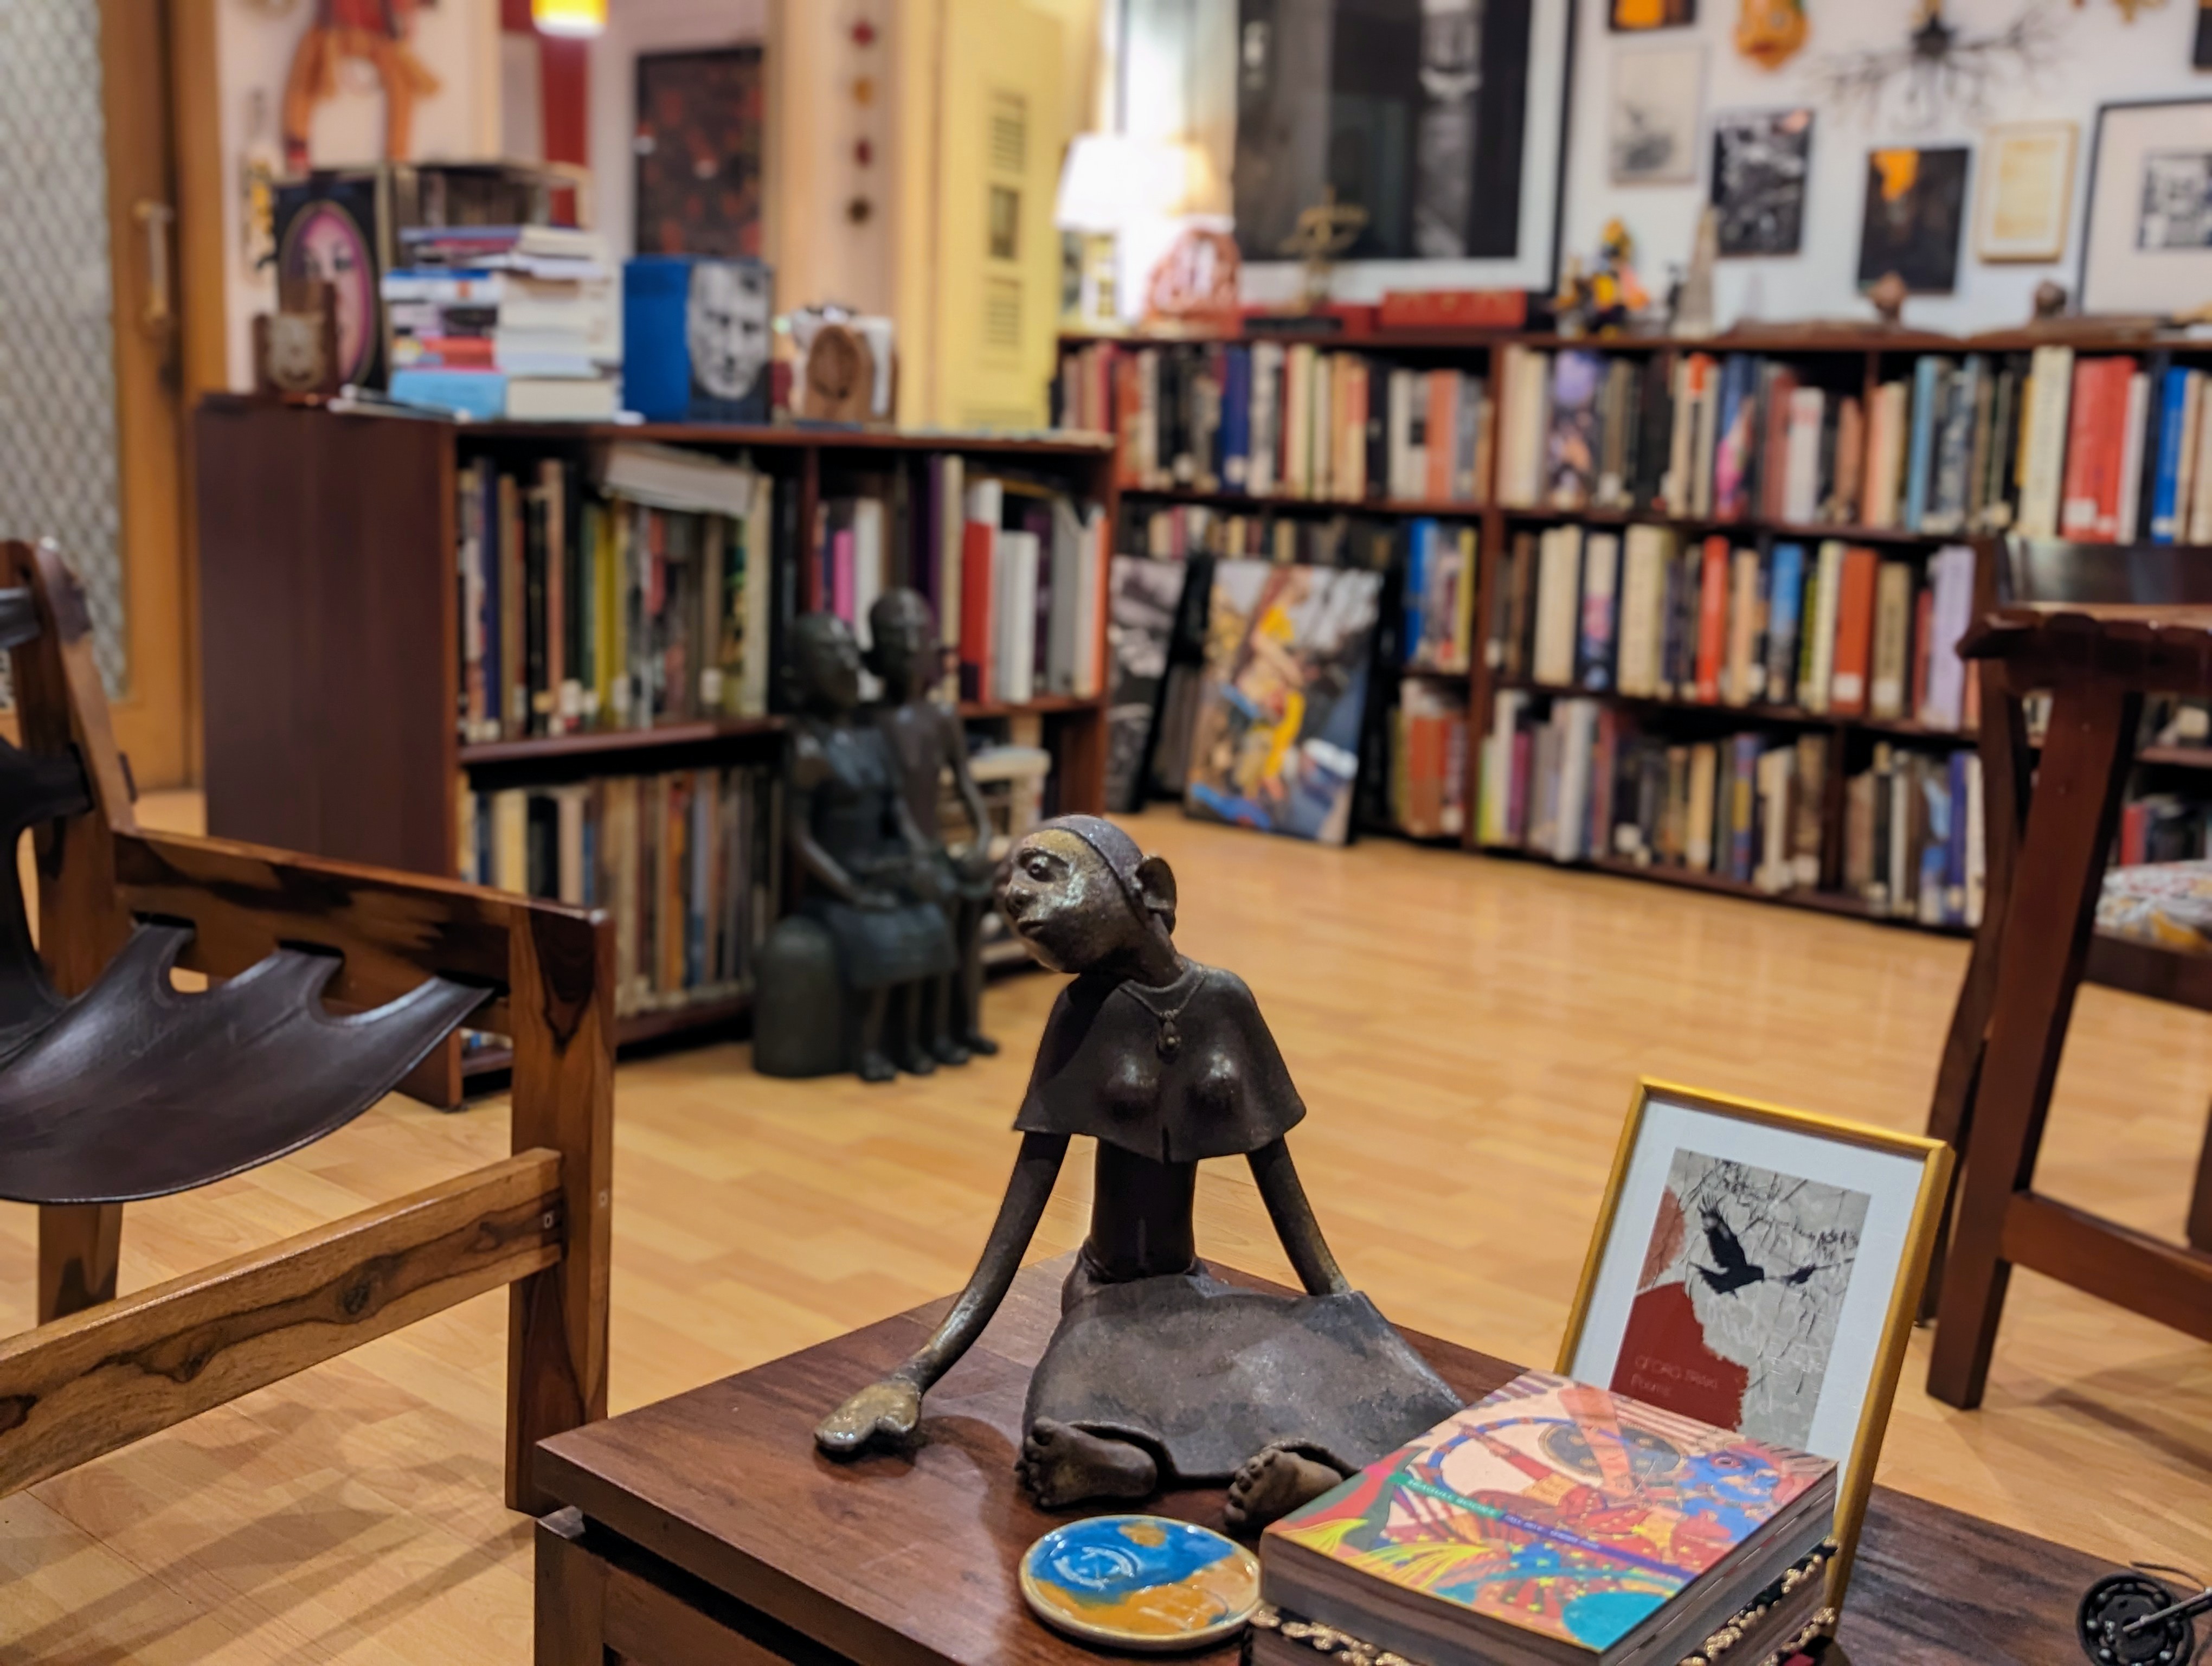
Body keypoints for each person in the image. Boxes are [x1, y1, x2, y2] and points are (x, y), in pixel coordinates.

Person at [813, 815, 1460, 1527]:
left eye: (1042, 871)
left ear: (1148, 886)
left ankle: (1286, 1470)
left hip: (1190, 1287)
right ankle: (1125, 1460)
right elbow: (1016, 1221)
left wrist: (1352, 1322)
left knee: (1279, 1351)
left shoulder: (1225, 1002)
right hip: (1106, 1294)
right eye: (1008, 884)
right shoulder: (1080, 1016)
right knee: (1076, 1369)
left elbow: (1284, 1190)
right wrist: (915, 1373)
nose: (1015, 896)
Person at [783, 613, 955, 1082]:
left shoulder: (872, 736)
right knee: (880, 938)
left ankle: (912, 1041)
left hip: (883, 867)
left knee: (929, 919)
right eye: (828, 655)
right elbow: (800, 837)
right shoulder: (807, 747)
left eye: (848, 649)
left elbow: (897, 809)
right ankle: (868, 1047)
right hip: (837, 886)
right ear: (800, 676)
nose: (846, 664)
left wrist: (919, 856)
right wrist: (850, 890)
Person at [867, 588, 999, 1065]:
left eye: (915, 634)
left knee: (971, 907)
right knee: (937, 912)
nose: (907, 647)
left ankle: (962, 1025)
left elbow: (966, 785)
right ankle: (924, 1036)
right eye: (894, 636)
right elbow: (887, 804)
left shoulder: (943, 717)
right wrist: (918, 856)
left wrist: (982, 837)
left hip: (937, 849)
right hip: (896, 855)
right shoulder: (872, 721)